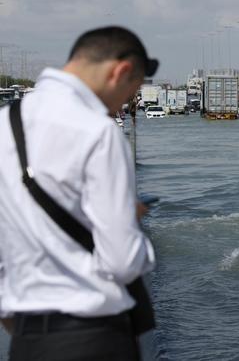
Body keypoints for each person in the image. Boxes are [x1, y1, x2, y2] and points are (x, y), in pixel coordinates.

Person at [0, 26, 159, 360]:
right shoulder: (98, 131)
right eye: (133, 90)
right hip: (93, 336)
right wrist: (130, 225)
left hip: (26, 340)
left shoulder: (4, 124)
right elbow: (122, 263)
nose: (128, 103)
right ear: (121, 71)